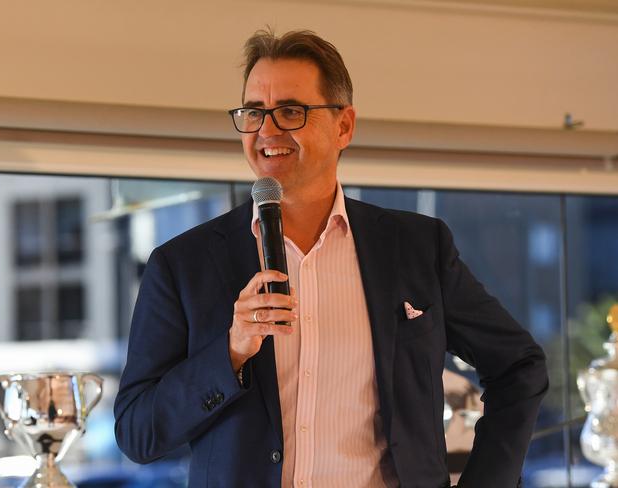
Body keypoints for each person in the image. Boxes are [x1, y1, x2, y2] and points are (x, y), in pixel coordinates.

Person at [114, 28, 548, 488]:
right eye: (254, 113)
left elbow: (519, 367)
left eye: (290, 111)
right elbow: (137, 432)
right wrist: (232, 351)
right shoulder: (182, 265)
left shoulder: (417, 247)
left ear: (344, 125)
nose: (266, 131)